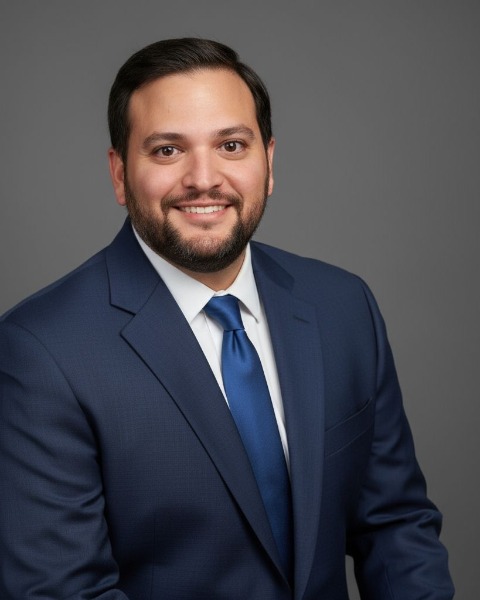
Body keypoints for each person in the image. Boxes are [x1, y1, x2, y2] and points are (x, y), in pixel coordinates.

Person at [0, 38, 454, 599]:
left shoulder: (342, 306)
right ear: (119, 174)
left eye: (231, 145)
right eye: (168, 150)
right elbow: (62, 590)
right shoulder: (40, 353)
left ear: (269, 162)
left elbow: (396, 526)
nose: (204, 178)